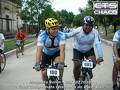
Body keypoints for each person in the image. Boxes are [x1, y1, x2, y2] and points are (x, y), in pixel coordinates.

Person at [65, 16, 104, 90]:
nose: (88, 27)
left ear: (92, 26)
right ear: (83, 24)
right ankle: (77, 82)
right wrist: (58, 35)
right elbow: (67, 35)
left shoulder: (95, 32)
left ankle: (87, 70)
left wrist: (100, 56)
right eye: (86, 25)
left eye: (90, 25)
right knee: (77, 65)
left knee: (93, 63)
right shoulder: (78, 30)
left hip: (89, 50)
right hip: (77, 50)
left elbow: (97, 44)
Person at [34, 18, 66, 88]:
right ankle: (47, 85)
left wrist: (62, 63)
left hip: (56, 53)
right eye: (53, 29)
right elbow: (39, 51)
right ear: (48, 29)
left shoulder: (61, 35)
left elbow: (62, 50)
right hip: (46, 54)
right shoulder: (42, 36)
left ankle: (60, 81)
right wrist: (37, 63)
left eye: (57, 28)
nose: (56, 30)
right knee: (44, 73)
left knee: (60, 66)